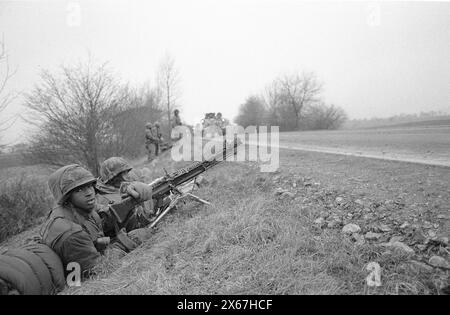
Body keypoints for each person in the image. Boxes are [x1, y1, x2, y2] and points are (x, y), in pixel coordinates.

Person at [40, 164, 152, 278]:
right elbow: (97, 270)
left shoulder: (80, 207)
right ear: (66, 197)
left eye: (89, 186)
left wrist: (131, 199)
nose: (89, 192)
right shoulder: (70, 233)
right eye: (79, 190)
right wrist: (128, 241)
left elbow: (106, 216)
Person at [96, 157, 154, 236]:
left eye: (127, 171)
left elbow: (144, 173)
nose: (127, 176)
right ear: (113, 178)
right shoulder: (101, 198)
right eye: (123, 173)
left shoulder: (126, 183)